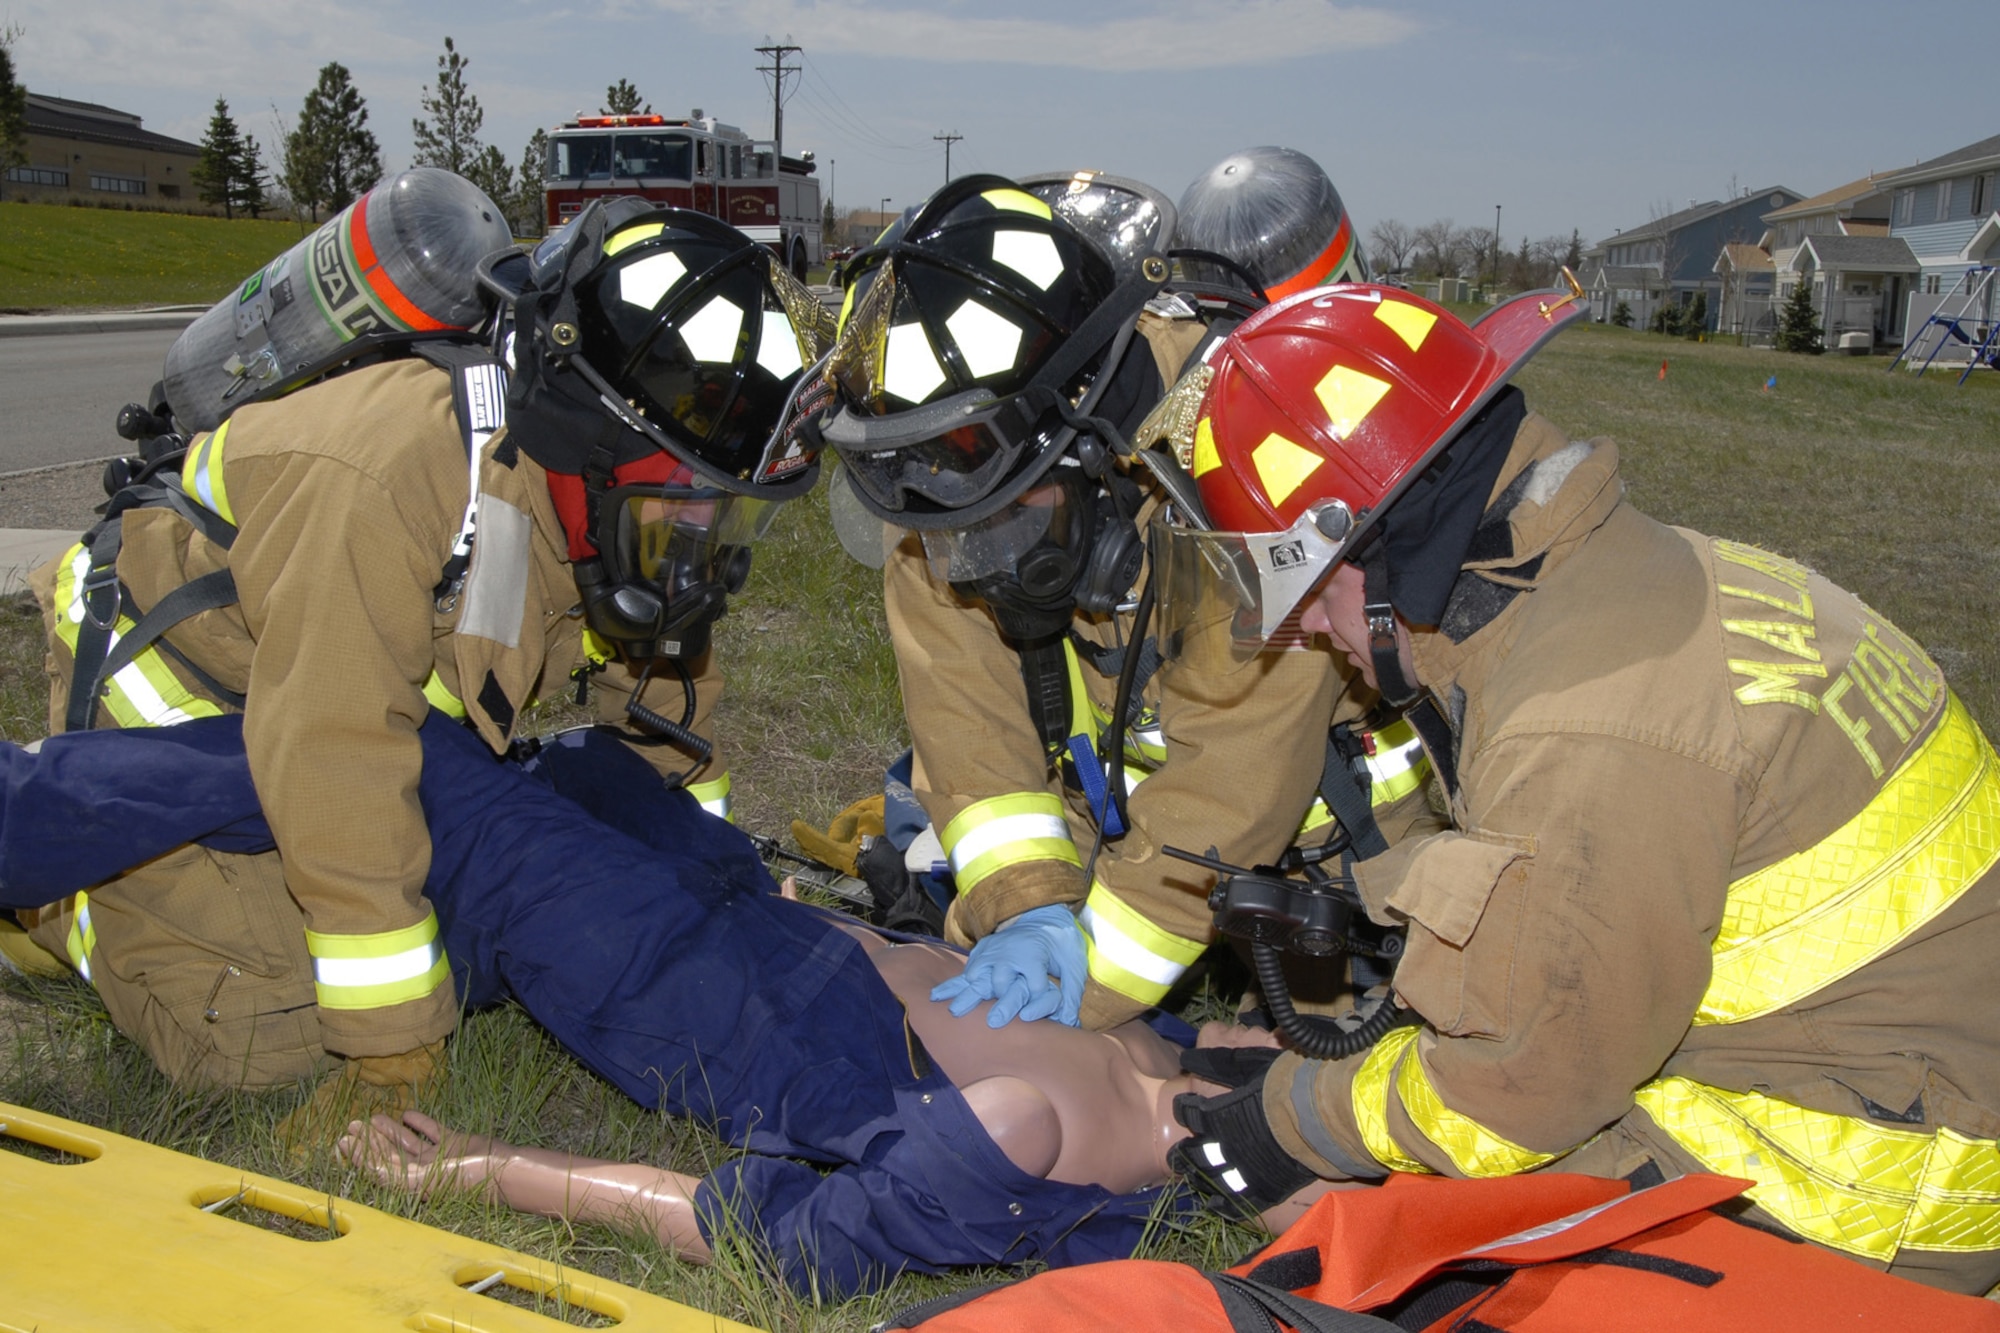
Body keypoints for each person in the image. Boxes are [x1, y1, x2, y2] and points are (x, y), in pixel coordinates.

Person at [1153, 277, 2000, 1293]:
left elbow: (1521, 1089)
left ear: (1375, 553)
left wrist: (1289, 1123)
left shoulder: (1582, 728)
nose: (1301, 629)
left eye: (1298, 589)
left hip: (1872, 1189)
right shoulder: (1654, 582)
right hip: (1914, 1076)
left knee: (1404, 1244)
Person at [14, 197, 833, 1135]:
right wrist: (390, 1044)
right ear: (590, 450)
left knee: (500, 894)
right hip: (187, 696)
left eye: (730, 518)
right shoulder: (387, 475)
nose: (705, 549)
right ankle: (72, 909)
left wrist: (705, 875)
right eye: (693, 512)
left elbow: (659, 711)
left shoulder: (600, 502)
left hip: (364, 709)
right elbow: (338, 752)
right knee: (256, 1039)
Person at [0, 713, 1277, 1297]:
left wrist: (488, 1166)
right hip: (754, 908)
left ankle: (21, 819)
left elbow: (779, 1240)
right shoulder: (1183, 1049)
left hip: (674, 980)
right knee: (569, 759)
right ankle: (380, 928)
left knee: (397, 758)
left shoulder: (1027, 1147)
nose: (1295, 1071)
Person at [817, 158, 1428, 1036]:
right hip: (1125, 838)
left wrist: (1077, 989)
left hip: (1339, 865)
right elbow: (968, 729)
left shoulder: (1255, 476)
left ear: (1085, 439)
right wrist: (1027, 905)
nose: (969, 555)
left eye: (1005, 519)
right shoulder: (944, 475)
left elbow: (1238, 773)